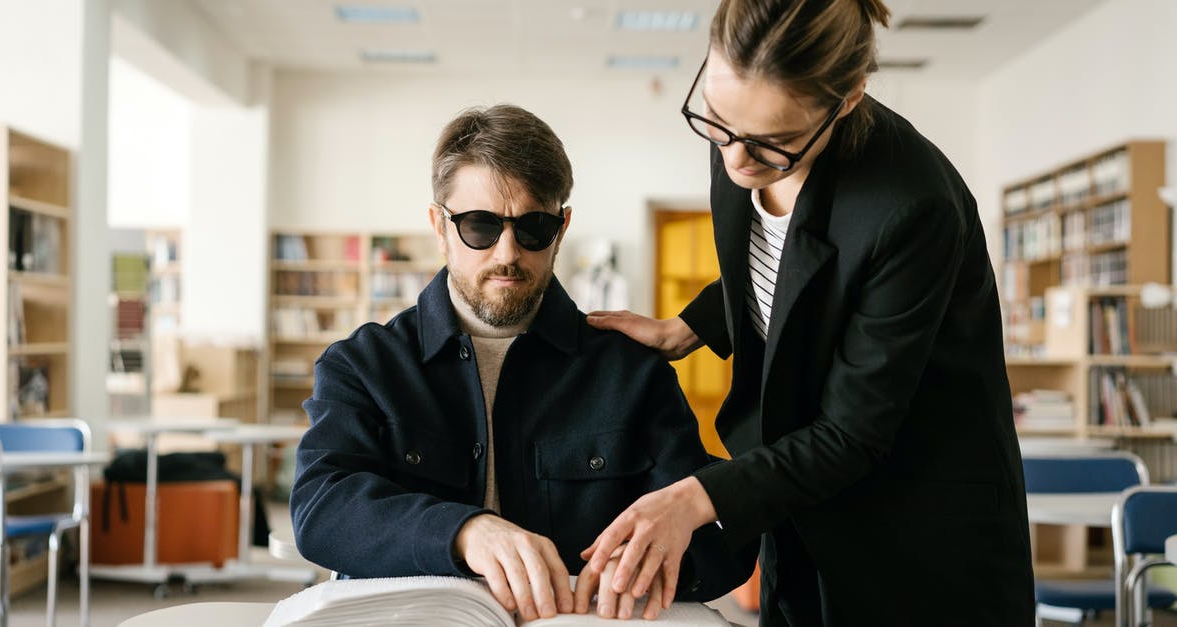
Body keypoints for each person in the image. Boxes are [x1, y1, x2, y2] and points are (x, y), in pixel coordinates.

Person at [582, 1, 1036, 625]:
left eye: (773, 146)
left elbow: (852, 432)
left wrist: (695, 499)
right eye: (715, 123)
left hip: (916, 530)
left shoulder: (910, 207)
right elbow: (784, 269)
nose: (736, 161)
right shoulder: (744, 128)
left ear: (846, 101)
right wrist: (688, 327)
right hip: (800, 499)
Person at [290, 104, 754, 622]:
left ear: (562, 226)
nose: (507, 252)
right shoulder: (363, 365)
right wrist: (463, 531)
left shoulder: (630, 371)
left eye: (533, 227)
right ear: (438, 226)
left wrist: (659, 562)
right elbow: (322, 507)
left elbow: (719, 539)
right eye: (480, 226)